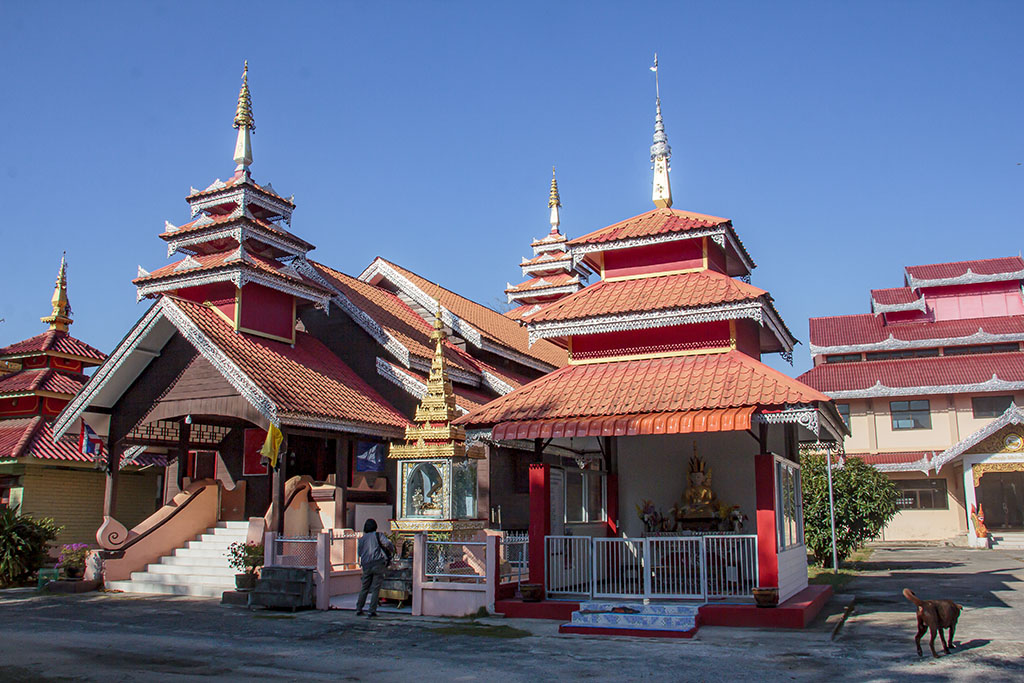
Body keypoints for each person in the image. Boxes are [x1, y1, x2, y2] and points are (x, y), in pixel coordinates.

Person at [355, 518, 394, 617]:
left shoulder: (362, 539)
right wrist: (391, 550)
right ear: (375, 527)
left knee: (365, 587)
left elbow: (359, 553)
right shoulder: (378, 535)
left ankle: (359, 608)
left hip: (366, 565)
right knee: (376, 588)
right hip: (377, 563)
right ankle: (372, 610)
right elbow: (387, 543)